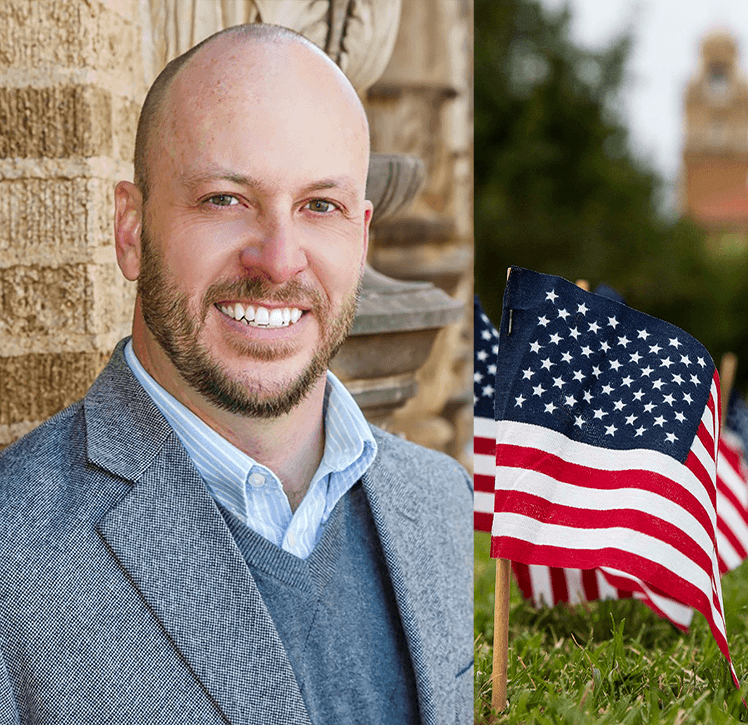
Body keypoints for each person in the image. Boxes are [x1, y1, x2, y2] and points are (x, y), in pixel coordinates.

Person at [0, 23, 471, 724]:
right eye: (225, 198)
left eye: (320, 206)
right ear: (131, 229)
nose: (279, 261)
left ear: (362, 234)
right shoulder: (15, 554)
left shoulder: (446, 504)